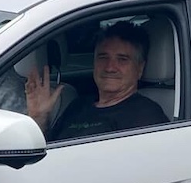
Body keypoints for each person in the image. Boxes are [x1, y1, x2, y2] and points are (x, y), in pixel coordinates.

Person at [25, 20, 167, 140]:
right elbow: (48, 152)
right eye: (103, 57)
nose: (110, 67)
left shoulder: (146, 115)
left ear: (139, 69)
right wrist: (39, 117)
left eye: (122, 59)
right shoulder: (78, 106)